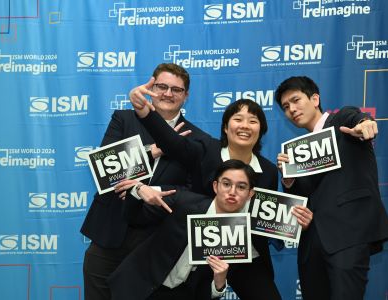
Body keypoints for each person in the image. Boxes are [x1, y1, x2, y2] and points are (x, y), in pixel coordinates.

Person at [129, 81, 313, 299]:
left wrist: (294, 221)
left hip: (246, 254)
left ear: (260, 131)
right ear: (226, 127)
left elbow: (267, 219)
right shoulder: (206, 150)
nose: (245, 126)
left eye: (253, 121)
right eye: (237, 119)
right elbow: (172, 143)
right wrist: (144, 112)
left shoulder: (269, 171)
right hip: (201, 253)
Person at [80, 63, 210, 300]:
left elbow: (191, 194)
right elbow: (106, 168)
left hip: (153, 243)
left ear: (186, 96)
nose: (168, 94)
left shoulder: (198, 139)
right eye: (161, 86)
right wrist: (152, 152)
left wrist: (149, 189)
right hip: (110, 232)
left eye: (176, 89)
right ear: (151, 87)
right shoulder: (124, 119)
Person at [275, 76, 388, 300]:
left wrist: (365, 124)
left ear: (315, 98)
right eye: (285, 106)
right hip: (312, 246)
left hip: (348, 235)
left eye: (295, 100)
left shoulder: (342, 120)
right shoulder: (299, 152)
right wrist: (289, 181)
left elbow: (359, 119)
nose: (291, 109)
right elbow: (304, 199)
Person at [108, 160, 258, 299]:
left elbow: (202, 290)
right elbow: (134, 218)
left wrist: (219, 283)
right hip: (137, 286)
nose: (232, 192)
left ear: (250, 194)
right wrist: (138, 189)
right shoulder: (183, 202)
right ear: (215, 186)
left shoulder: (239, 236)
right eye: (226, 184)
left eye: (241, 187)